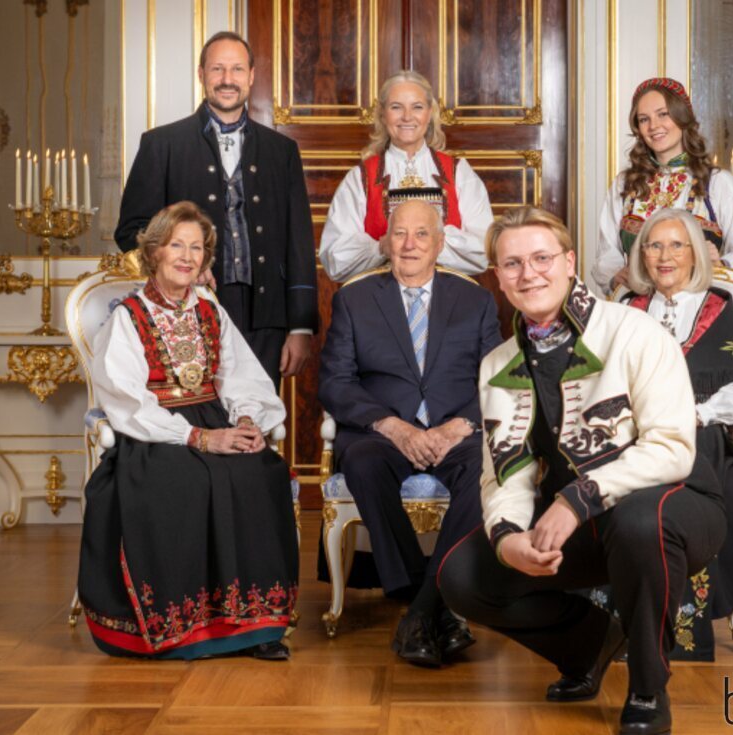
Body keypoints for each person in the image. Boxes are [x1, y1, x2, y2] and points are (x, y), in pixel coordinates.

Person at [438, 206, 726, 735]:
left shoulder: (634, 332)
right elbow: (504, 473)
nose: (530, 274)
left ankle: (647, 687)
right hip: (581, 524)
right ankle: (589, 645)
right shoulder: (497, 363)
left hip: (675, 506)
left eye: (542, 258)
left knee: (640, 520)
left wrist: (576, 499)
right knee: (462, 576)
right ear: (499, 279)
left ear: (570, 262)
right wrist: (506, 539)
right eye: (513, 264)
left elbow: (672, 449)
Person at [78, 202, 299, 660]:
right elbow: (125, 398)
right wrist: (197, 438)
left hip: (214, 419)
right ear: (154, 251)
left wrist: (245, 421)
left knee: (260, 472)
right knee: (187, 479)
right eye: (177, 245)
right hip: (155, 435)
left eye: (196, 247)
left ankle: (255, 627)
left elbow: (241, 377)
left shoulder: (210, 310)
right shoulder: (128, 317)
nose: (187, 255)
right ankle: (179, 627)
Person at [318, 200, 501, 667]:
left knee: (486, 465)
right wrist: (393, 426)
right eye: (400, 234)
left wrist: (458, 426)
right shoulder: (354, 299)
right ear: (385, 242)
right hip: (383, 430)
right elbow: (335, 382)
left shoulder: (475, 299)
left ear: (440, 244)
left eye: (422, 235)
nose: (410, 244)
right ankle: (434, 598)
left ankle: (422, 608)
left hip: (457, 429)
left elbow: (498, 377)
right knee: (360, 460)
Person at [619, 207, 733, 659]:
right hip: (633, 435)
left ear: (695, 254)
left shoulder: (718, 307)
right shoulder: (626, 309)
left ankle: (682, 628)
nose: (665, 255)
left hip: (697, 435)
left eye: (676, 245)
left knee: (708, 442)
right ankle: (611, 620)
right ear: (642, 256)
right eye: (654, 245)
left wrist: (697, 412)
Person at [115, 31, 317, 387]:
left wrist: (300, 325)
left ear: (252, 76)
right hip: (185, 308)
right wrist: (182, 263)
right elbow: (131, 229)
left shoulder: (281, 151)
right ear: (201, 75)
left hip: (265, 314)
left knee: (255, 420)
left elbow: (299, 241)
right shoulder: (161, 144)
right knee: (196, 418)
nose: (227, 79)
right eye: (218, 69)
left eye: (237, 70)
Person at [319, 70, 494, 282]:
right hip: (381, 299)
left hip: (447, 300)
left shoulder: (459, 172)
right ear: (383, 115)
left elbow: (485, 250)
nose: (407, 117)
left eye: (417, 107)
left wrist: (428, 242)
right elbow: (334, 259)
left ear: (429, 114)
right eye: (396, 107)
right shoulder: (361, 177)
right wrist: (381, 247)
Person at [592, 77, 733, 295]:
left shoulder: (718, 183)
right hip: (637, 314)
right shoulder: (625, 184)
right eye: (644, 119)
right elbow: (606, 256)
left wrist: (720, 264)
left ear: (682, 116)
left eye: (663, 114)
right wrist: (615, 275)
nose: (654, 126)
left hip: (699, 313)